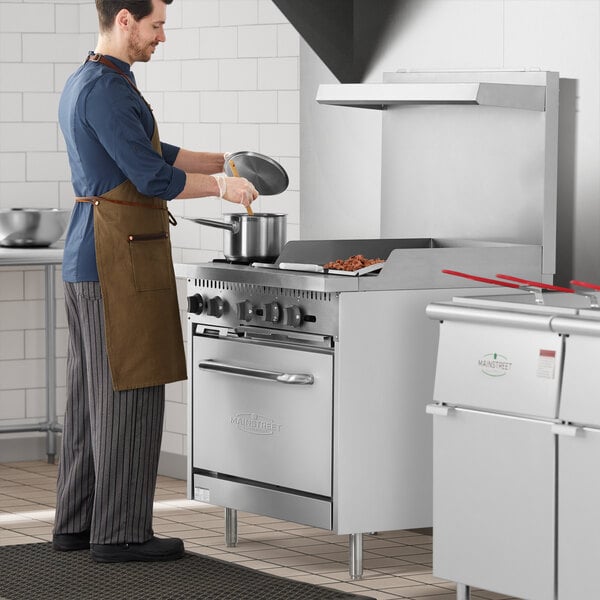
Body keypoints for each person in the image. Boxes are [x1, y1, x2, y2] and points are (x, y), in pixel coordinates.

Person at [52, 0, 258, 563]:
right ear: (125, 19)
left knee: (89, 398)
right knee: (130, 392)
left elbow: (154, 152)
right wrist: (220, 187)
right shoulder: (109, 89)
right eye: (156, 25)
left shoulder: (90, 80)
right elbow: (151, 175)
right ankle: (120, 534)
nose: (161, 37)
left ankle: (77, 522)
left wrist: (225, 161)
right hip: (115, 258)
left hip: (91, 257)